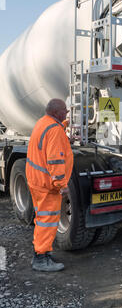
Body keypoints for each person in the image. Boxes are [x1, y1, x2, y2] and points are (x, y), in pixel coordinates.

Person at [26, 99, 73, 272]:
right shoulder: (54, 130)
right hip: (47, 185)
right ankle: (40, 258)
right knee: (47, 221)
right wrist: (61, 184)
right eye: (65, 111)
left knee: (42, 219)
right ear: (56, 112)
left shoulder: (43, 122)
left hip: (37, 181)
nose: (67, 113)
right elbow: (55, 160)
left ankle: (42, 253)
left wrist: (65, 125)